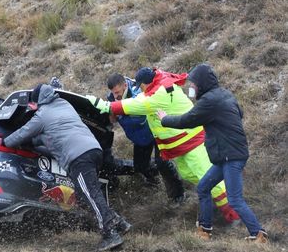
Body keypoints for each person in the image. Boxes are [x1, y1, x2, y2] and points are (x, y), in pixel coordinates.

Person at [88, 67, 240, 224]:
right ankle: (215, 201)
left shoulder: (159, 94)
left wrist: (107, 106)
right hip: (176, 143)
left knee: (205, 176)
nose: (140, 88)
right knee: (189, 174)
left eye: (142, 85)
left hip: (191, 142)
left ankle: (233, 213)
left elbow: (139, 105)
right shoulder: (156, 88)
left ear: (147, 83)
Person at [4, 83, 131, 252]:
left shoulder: (42, 115)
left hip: (79, 156)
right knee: (88, 193)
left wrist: (4, 141)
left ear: (38, 101)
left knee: (89, 195)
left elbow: (21, 135)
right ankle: (118, 222)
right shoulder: (64, 104)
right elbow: (54, 138)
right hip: (93, 150)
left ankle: (110, 234)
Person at [157, 64, 268, 243]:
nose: (191, 88)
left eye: (193, 84)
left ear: (201, 83)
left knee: (235, 199)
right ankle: (205, 229)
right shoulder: (224, 94)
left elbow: (188, 120)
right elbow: (239, 113)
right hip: (225, 156)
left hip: (231, 156)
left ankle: (259, 234)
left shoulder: (210, 101)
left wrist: (164, 119)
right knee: (203, 188)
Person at [100, 73, 185, 201]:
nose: (115, 95)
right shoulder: (112, 97)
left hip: (155, 131)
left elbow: (139, 117)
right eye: (113, 93)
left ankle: (178, 194)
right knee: (140, 166)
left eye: (117, 92)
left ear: (124, 85)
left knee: (163, 163)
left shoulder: (138, 92)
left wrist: (119, 109)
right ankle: (153, 178)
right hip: (139, 138)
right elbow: (113, 118)